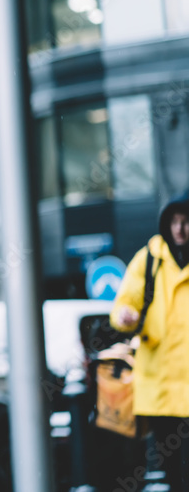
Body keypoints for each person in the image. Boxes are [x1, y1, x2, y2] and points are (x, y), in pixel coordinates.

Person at [111, 190, 189, 490]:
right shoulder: (149, 261)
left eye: (186, 221)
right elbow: (121, 307)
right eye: (174, 222)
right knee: (172, 472)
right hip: (160, 390)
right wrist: (125, 317)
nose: (180, 229)